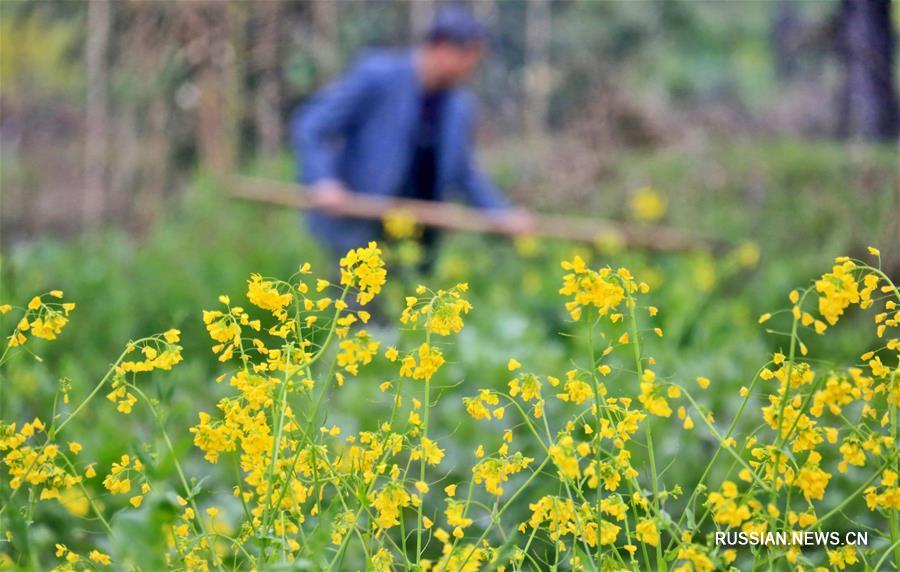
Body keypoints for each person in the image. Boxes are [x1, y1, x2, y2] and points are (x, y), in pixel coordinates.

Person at [291, 5, 534, 262]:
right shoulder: (377, 77)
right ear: (443, 48)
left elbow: (464, 172)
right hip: (361, 227)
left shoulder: (459, 107)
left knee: (413, 301)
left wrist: (501, 214)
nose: (470, 70)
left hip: (419, 240)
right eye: (469, 60)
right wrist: (323, 180)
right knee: (353, 301)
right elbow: (312, 125)